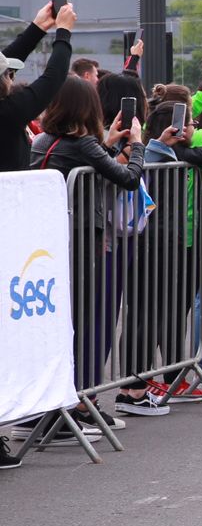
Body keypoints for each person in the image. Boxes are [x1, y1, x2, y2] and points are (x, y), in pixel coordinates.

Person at [31, 75, 157, 421]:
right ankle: (77, 402)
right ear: (88, 108)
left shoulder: (42, 140)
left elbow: (91, 160)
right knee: (85, 322)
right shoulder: (83, 143)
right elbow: (129, 178)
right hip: (85, 242)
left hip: (46, 241)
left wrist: (110, 142)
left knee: (52, 322)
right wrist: (138, 145)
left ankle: (49, 406)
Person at [2, 1, 75, 172]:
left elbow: (4, 61)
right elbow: (53, 77)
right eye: (9, 74)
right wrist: (63, 33)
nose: (12, 78)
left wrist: (38, 27)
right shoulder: (9, 111)